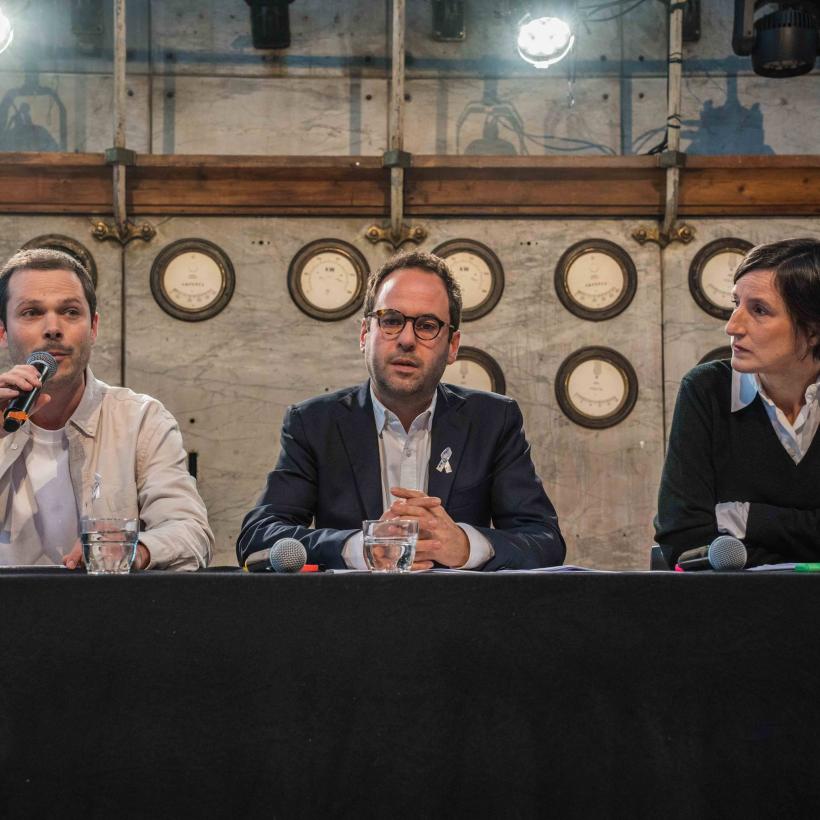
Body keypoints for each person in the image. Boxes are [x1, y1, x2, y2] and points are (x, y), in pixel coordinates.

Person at [238, 250, 564, 571]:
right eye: (391, 321)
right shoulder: (313, 423)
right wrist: (359, 548)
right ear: (365, 334)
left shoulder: (493, 421)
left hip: (463, 618)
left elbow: (544, 541)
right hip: (348, 617)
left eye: (426, 325)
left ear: (452, 346)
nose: (407, 339)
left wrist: (465, 546)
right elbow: (258, 538)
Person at [0, 247, 213, 570]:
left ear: (94, 326)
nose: (53, 328)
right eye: (31, 312)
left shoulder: (140, 419)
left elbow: (191, 532)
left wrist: (132, 549)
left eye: (71, 312)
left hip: (106, 614)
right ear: (2, 332)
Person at [655, 238, 820, 568]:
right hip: (729, 610)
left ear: (813, 329)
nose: (733, 326)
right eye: (736, 304)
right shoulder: (706, 390)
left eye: (759, 310)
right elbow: (682, 538)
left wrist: (744, 517)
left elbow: (722, 552)